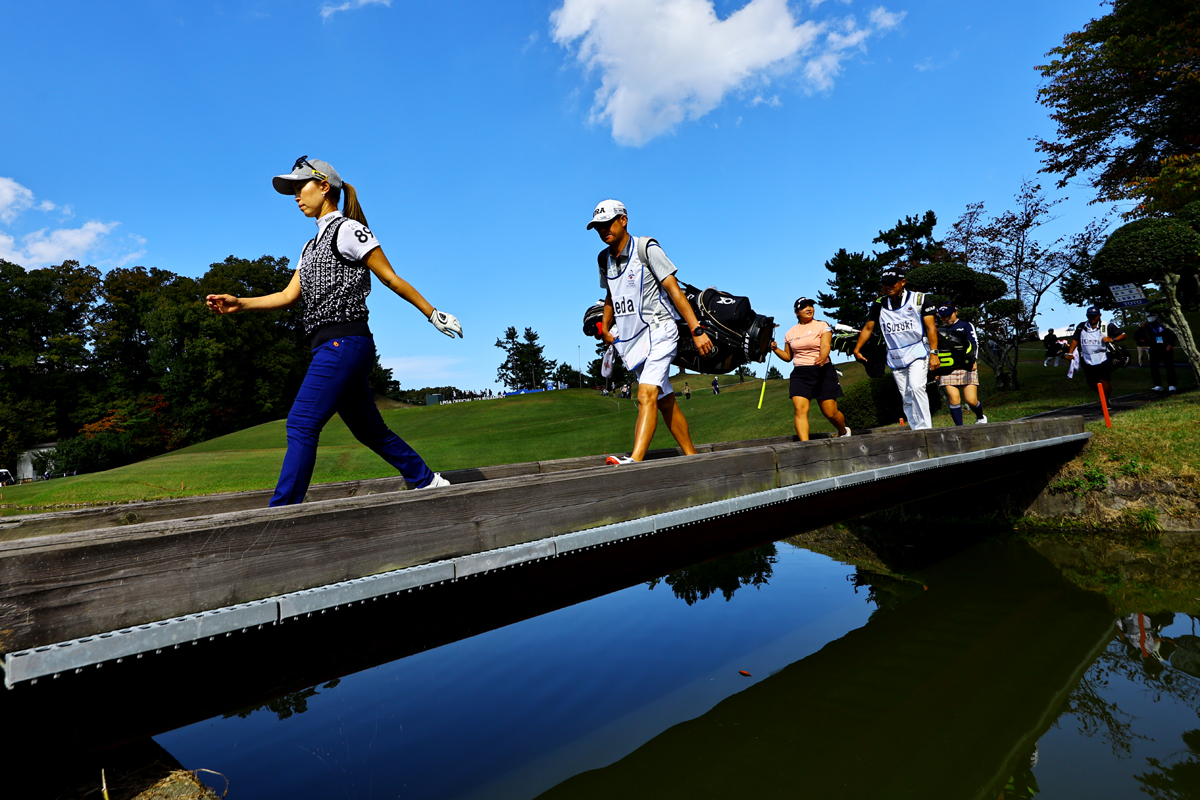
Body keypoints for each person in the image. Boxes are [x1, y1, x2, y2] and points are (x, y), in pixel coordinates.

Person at [206, 156, 462, 505]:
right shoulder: (309, 247)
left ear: (324, 186)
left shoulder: (349, 231)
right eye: (293, 191)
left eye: (301, 188)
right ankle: (427, 482)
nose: (296, 197)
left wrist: (432, 313)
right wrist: (241, 303)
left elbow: (390, 278)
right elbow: (287, 295)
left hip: (345, 343)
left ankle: (281, 515)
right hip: (332, 347)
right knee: (371, 431)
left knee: (300, 424)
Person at [588, 199, 714, 462]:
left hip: (661, 331)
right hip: (632, 341)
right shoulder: (604, 259)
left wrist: (696, 329)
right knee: (665, 400)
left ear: (623, 220)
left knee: (646, 393)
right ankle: (693, 459)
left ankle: (635, 461)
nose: (602, 230)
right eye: (598, 227)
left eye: (607, 223)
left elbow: (674, 290)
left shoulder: (647, 248)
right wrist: (606, 329)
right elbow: (611, 294)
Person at [851, 268, 940, 430]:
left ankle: (926, 429)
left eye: (891, 283)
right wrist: (857, 349)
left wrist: (934, 353)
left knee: (917, 387)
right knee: (906, 395)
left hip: (917, 351)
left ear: (903, 282)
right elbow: (868, 327)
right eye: (884, 284)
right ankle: (915, 429)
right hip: (895, 355)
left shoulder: (919, 299)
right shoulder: (879, 304)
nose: (887, 287)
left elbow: (931, 328)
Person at [769, 297, 850, 440]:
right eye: (804, 307)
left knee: (830, 413)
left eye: (811, 306)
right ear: (796, 312)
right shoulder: (790, 333)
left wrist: (822, 357)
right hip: (800, 374)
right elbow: (788, 357)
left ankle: (843, 431)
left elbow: (825, 345)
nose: (809, 309)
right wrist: (775, 349)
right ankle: (805, 446)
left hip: (822, 370)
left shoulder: (822, 325)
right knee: (800, 409)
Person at [935, 304, 986, 425]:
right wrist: (937, 371)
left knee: (971, 400)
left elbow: (974, 343)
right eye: (943, 317)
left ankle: (980, 417)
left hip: (966, 365)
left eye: (949, 315)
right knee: (954, 399)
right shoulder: (940, 331)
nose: (946, 319)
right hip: (948, 367)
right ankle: (959, 428)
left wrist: (974, 360)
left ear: (956, 312)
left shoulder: (966, 326)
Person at [1065, 306, 1126, 400]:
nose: (1092, 318)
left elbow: (1123, 335)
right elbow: (1075, 339)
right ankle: (1103, 396)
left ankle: (1105, 401)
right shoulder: (1082, 326)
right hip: (1087, 357)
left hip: (1103, 356)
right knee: (1091, 381)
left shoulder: (1106, 325)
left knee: (1102, 378)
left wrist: (1112, 339)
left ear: (1099, 315)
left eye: (1094, 315)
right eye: (1090, 316)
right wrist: (1070, 353)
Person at [1143, 315, 1178, 392]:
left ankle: (1172, 385)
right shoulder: (1146, 327)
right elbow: (1139, 336)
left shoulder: (1163, 324)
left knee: (1169, 367)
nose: (1150, 317)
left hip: (1165, 347)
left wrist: (1170, 344)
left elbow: (1172, 334)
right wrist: (1141, 328)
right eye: (1148, 316)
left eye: (1151, 316)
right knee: (1154, 368)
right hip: (1154, 348)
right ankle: (1157, 385)